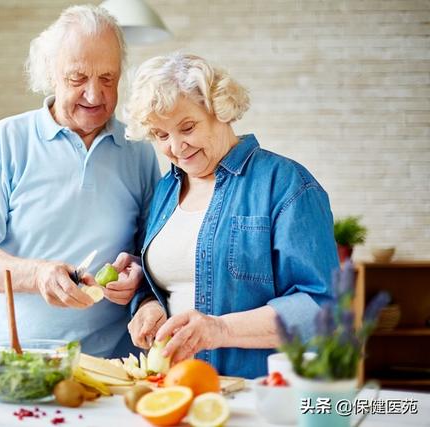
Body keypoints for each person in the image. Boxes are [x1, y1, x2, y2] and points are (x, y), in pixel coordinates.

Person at [0, 5, 160, 357]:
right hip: (14, 359)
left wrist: (139, 274)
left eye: (108, 79)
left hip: (110, 364)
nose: (95, 95)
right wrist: (37, 275)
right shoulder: (8, 139)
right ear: (51, 73)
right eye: (78, 78)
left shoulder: (138, 150)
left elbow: (153, 250)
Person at [124, 53, 337, 378]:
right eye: (161, 135)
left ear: (219, 110)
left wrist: (220, 329)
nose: (177, 148)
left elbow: (322, 309)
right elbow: (164, 283)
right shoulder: (166, 189)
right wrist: (148, 305)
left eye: (187, 127)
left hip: (256, 387)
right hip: (175, 386)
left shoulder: (285, 184)